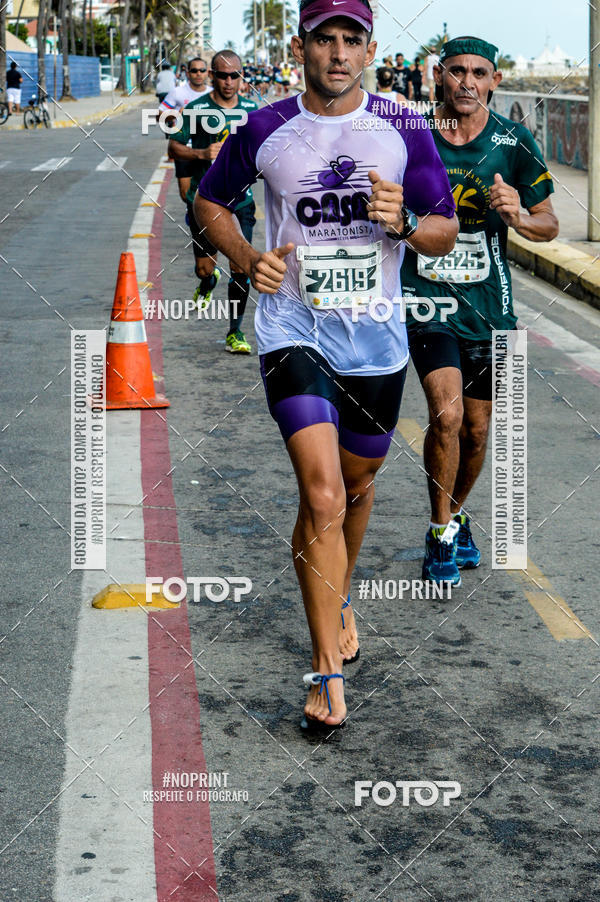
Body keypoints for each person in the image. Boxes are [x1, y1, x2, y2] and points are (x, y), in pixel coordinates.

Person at [195, 0, 457, 729]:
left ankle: (338, 592)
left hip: (375, 339)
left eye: (351, 40)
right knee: (321, 494)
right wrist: (247, 257)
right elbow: (209, 203)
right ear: (299, 45)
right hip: (293, 330)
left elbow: (444, 232)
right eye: (323, 39)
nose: (337, 53)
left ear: (370, 49)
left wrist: (404, 222)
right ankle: (327, 674)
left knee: (359, 483)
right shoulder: (265, 127)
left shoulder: (404, 128)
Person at [401, 36, 558, 585]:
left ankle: (456, 512)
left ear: (494, 80)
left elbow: (549, 224)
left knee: (476, 429)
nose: (468, 81)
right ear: (439, 76)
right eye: (458, 71)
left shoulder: (513, 142)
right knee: (444, 416)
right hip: (427, 299)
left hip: (493, 307)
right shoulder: (413, 134)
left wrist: (517, 215)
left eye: (480, 73)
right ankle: (441, 531)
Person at [169, 50, 259, 353]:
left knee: (241, 266)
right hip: (205, 202)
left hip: (240, 202)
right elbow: (174, 147)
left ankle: (235, 332)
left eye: (235, 75)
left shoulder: (252, 111)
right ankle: (207, 282)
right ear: (212, 75)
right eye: (222, 75)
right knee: (205, 269)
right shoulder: (196, 109)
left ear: (241, 77)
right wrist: (202, 154)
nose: (229, 81)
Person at [160, 57, 211, 203]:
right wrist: (177, 114)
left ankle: (201, 219)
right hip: (183, 148)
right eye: (194, 70)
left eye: (202, 70)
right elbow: (159, 115)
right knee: (185, 193)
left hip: (208, 149)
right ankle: (193, 213)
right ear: (187, 73)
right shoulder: (177, 92)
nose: (198, 74)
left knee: (209, 191)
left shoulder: (214, 93)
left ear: (207, 73)